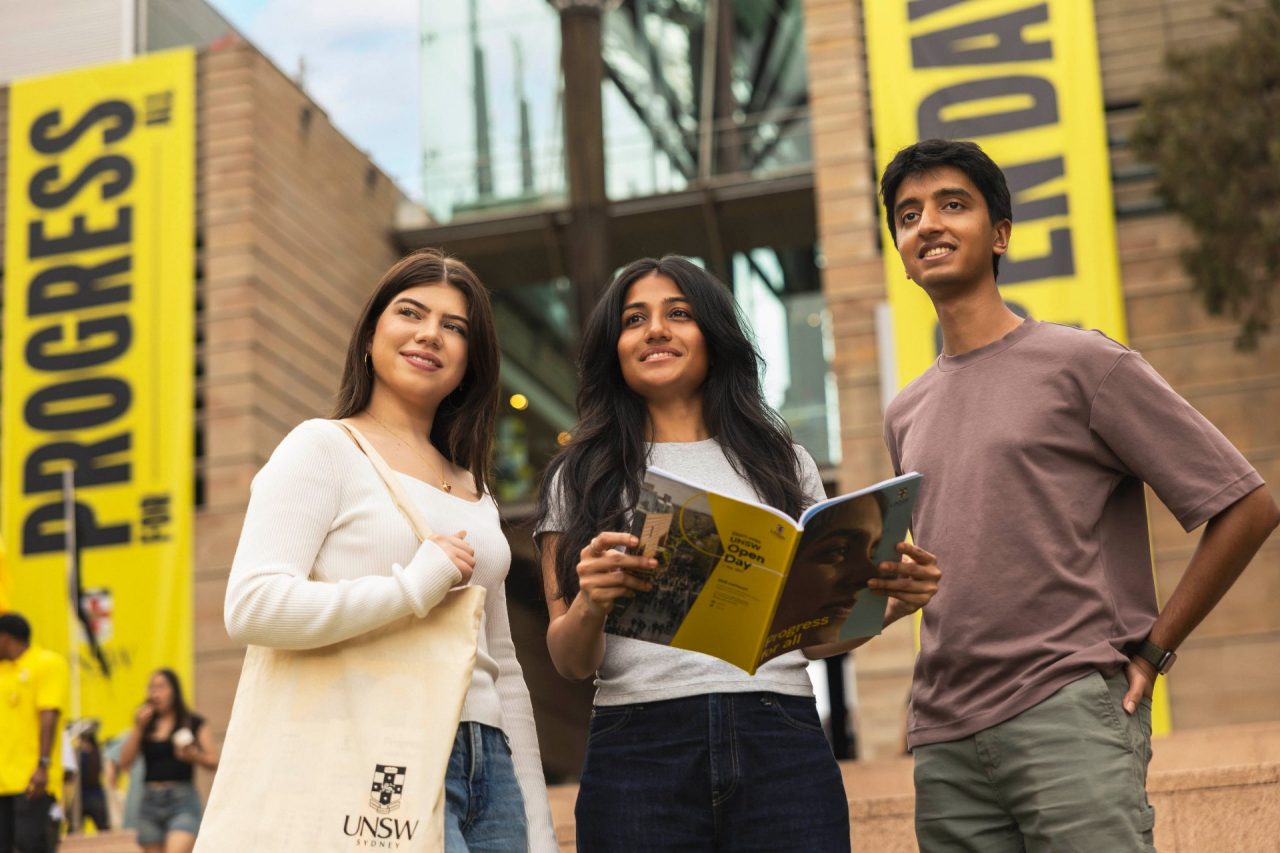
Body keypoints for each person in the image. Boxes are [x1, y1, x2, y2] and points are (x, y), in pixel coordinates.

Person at [878, 138, 1280, 851]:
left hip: (1067, 712)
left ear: (999, 234)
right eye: (909, 215)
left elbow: (1248, 505)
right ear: (902, 250)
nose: (928, 225)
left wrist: (1155, 652)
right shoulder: (904, 411)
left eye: (952, 205)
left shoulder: (1083, 363)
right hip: (943, 740)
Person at [534, 256, 941, 851]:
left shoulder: (783, 463)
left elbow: (813, 637)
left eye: (679, 314)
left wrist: (891, 607)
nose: (655, 330)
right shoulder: (579, 477)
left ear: (715, 337)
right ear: (613, 347)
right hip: (639, 747)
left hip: (780, 736)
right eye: (634, 319)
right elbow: (570, 660)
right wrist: (592, 602)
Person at [223, 249, 557, 851]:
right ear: (372, 333)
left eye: (455, 328)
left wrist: (535, 822)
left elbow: (503, 666)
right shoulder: (322, 448)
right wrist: (409, 589)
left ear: (469, 363)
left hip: (491, 767)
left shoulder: (474, 490)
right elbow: (251, 605)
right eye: (411, 312)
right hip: (375, 748)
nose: (431, 333)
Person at [769, 492, 887, 648]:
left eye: (873, 554)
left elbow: (812, 647)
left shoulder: (797, 467)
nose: (870, 575)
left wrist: (894, 607)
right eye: (839, 550)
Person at [116, 670, 216, 852]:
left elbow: (214, 761)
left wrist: (194, 756)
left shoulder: (193, 722)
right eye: (152, 688)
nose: (155, 693)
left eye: (161, 687)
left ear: (174, 691)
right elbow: (124, 762)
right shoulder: (146, 725)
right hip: (149, 802)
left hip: (182, 800)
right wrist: (138, 727)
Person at [0, 613, 66, 853]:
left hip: (31, 781)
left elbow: (48, 715)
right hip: (2, 782)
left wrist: (43, 764)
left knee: (32, 846)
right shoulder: (2, 671)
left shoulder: (46, 663)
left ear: (5, 638)